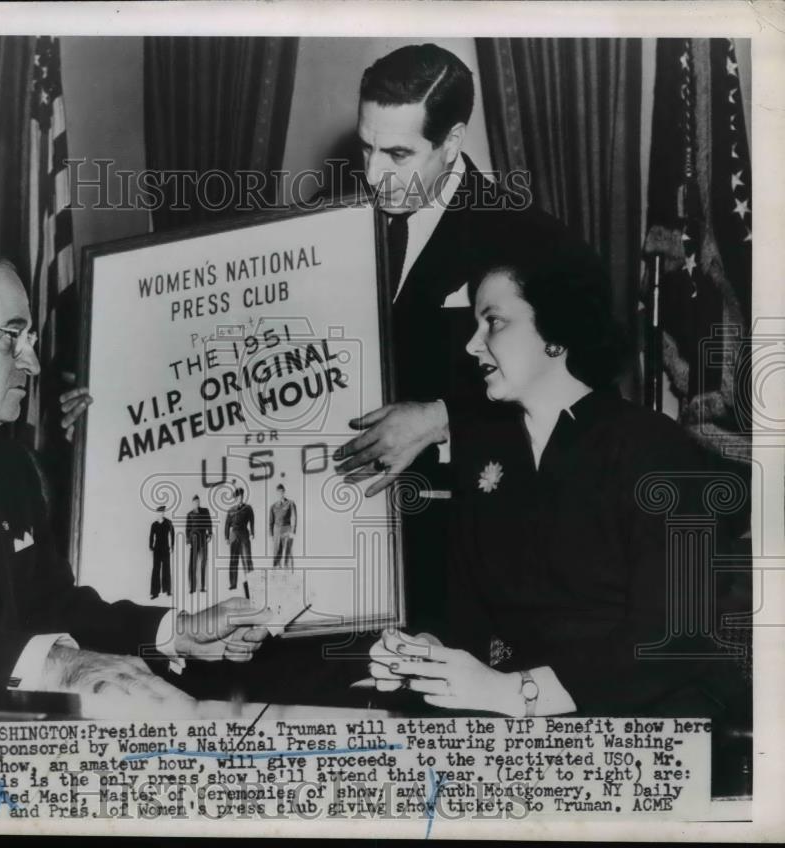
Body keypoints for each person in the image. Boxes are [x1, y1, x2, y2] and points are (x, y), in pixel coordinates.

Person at [0, 247, 271, 702]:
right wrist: (56, 664)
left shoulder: (6, 465)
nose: (32, 364)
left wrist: (176, 631)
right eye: (10, 337)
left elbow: (48, 604)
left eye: (30, 339)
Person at [368, 225, 747, 717]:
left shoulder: (656, 450)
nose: (472, 346)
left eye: (494, 323)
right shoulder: (485, 454)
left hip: (652, 724)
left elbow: (675, 638)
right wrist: (423, 652)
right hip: (522, 726)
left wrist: (517, 693)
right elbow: (469, 619)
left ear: (557, 333)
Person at [331, 43, 561, 633]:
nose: (373, 175)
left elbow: (577, 398)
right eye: (366, 147)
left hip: (458, 555)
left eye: (398, 154)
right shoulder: (319, 225)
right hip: (330, 544)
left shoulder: (525, 240)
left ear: (452, 143)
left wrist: (442, 418)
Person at [224, 488, 255, 591]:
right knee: (233, 560)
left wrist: (252, 533)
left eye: (241, 496)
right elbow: (227, 525)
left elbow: (252, 521)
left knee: (247, 559)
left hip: (244, 534)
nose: (240, 498)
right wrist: (226, 537)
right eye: (238, 497)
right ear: (235, 498)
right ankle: (233, 584)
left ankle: (251, 582)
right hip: (234, 536)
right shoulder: (231, 510)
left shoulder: (248, 508)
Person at [185, 495, 213, 593]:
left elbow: (209, 523)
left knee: (204, 561)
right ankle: (192, 587)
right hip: (193, 540)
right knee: (193, 563)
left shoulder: (205, 511)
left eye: (198, 502)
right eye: (195, 502)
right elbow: (187, 529)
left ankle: (203, 587)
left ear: (199, 502)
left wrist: (210, 534)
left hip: (203, 539)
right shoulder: (189, 514)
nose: (196, 504)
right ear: (192, 503)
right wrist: (188, 541)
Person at [148, 505, 174, 599]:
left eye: (162, 512)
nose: (161, 514)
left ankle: (168, 590)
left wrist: (172, 546)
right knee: (156, 569)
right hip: (157, 549)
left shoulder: (168, 523)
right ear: (157, 513)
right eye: (159, 512)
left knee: (166, 568)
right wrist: (151, 546)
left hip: (166, 548)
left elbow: (172, 534)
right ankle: (155, 592)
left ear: (164, 513)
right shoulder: (154, 524)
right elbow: (151, 536)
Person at [269, 483, 297, 569]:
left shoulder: (290, 503)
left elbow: (294, 518)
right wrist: (271, 535)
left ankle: (287, 572)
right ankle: (276, 571)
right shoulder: (273, 506)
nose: (280, 494)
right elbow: (271, 521)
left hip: (287, 529)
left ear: (284, 492)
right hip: (276, 530)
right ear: (276, 493)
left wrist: (293, 531)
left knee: (287, 552)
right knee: (277, 551)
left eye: (281, 492)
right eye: (278, 492)